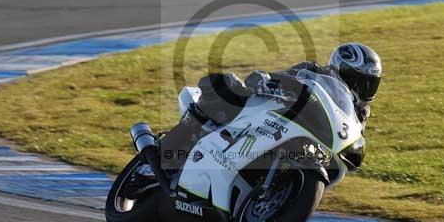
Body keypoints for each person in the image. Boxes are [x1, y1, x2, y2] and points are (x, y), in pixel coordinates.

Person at [125, 43, 382, 196]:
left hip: (307, 147)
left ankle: (279, 194)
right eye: (356, 79)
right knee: (226, 87)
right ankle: (161, 158)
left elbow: (354, 145)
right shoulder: (314, 70)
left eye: (368, 83)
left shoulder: (358, 115)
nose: (360, 87)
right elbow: (285, 76)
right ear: (339, 69)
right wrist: (267, 80)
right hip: (274, 114)